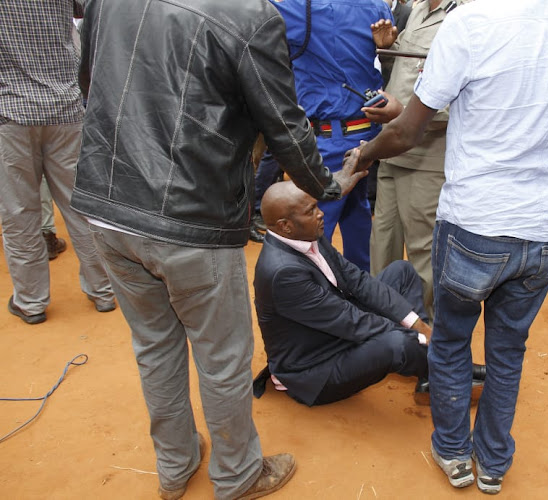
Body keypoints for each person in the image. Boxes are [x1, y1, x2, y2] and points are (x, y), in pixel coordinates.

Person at [72, 0, 366, 498]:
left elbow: (91, 83)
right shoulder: (251, 16)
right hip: (192, 219)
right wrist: (328, 185)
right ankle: (238, 476)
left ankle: (174, 466)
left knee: (154, 348)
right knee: (223, 358)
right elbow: (286, 126)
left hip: (108, 204)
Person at [352, 0, 548, 493]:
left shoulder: (471, 22)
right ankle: (492, 463)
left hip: (476, 220)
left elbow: (408, 129)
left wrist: (360, 159)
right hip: (542, 230)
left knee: (450, 342)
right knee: (508, 350)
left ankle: (453, 453)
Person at [252, 181, 486, 406]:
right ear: (285, 225)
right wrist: (415, 335)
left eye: (317, 206)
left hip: (333, 333)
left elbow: (358, 280)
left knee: (401, 272)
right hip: (315, 367)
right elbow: (350, 321)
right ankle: (440, 367)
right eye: (311, 210)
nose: (321, 213)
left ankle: (428, 362)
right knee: (397, 344)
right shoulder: (283, 273)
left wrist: (417, 327)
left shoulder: (306, 233)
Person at [0, 0, 116, 325]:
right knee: (81, 207)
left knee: (19, 214)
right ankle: (104, 290)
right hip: (65, 106)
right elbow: (90, 9)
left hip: (10, 112)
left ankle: (31, 302)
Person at [269, 0, 394, 272]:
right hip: (368, 136)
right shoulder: (377, 7)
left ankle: (313, 298)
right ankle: (361, 298)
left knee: (311, 228)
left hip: (329, 140)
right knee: (357, 219)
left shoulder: (299, 9)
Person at [367, 0, 467, 320]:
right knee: (383, 242)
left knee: (424, 250)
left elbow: (460, 99)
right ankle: (386, 321)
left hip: (426, 156)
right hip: (392, 147)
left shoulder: (462, 15)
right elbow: (412, 72)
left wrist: (402, 114)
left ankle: (427, 334)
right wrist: (389, 48)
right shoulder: (420, 9)